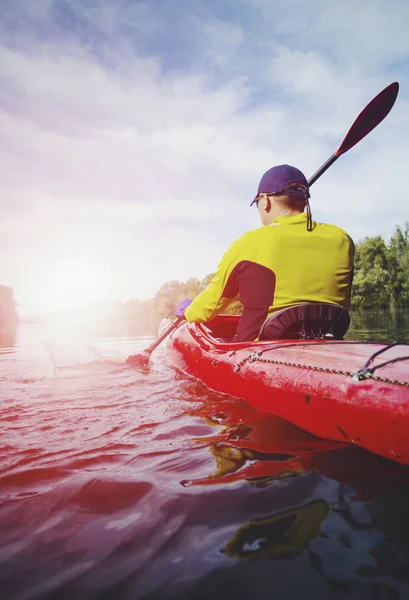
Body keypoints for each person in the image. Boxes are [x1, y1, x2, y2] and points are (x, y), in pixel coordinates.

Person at [176, 164, 354, 342]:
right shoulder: (342, 239)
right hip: (329, 343)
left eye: (257, 204)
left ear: (265, 201)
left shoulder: (247, 243)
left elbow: (210, 306)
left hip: (257, 352)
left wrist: (189, 311)